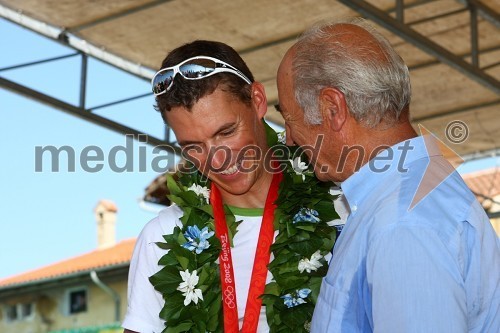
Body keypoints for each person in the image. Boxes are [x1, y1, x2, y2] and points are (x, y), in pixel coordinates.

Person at [276, 18, 500, 333]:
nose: (288, 137)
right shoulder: (410, 193)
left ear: (332, 108)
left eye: (289, 118)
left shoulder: (401, 221)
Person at [123, 40, 343, 333]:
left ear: (257, 100)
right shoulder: (162, 236)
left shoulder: (339, 209)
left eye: (226, 132)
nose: (217, 158)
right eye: (193, 146)